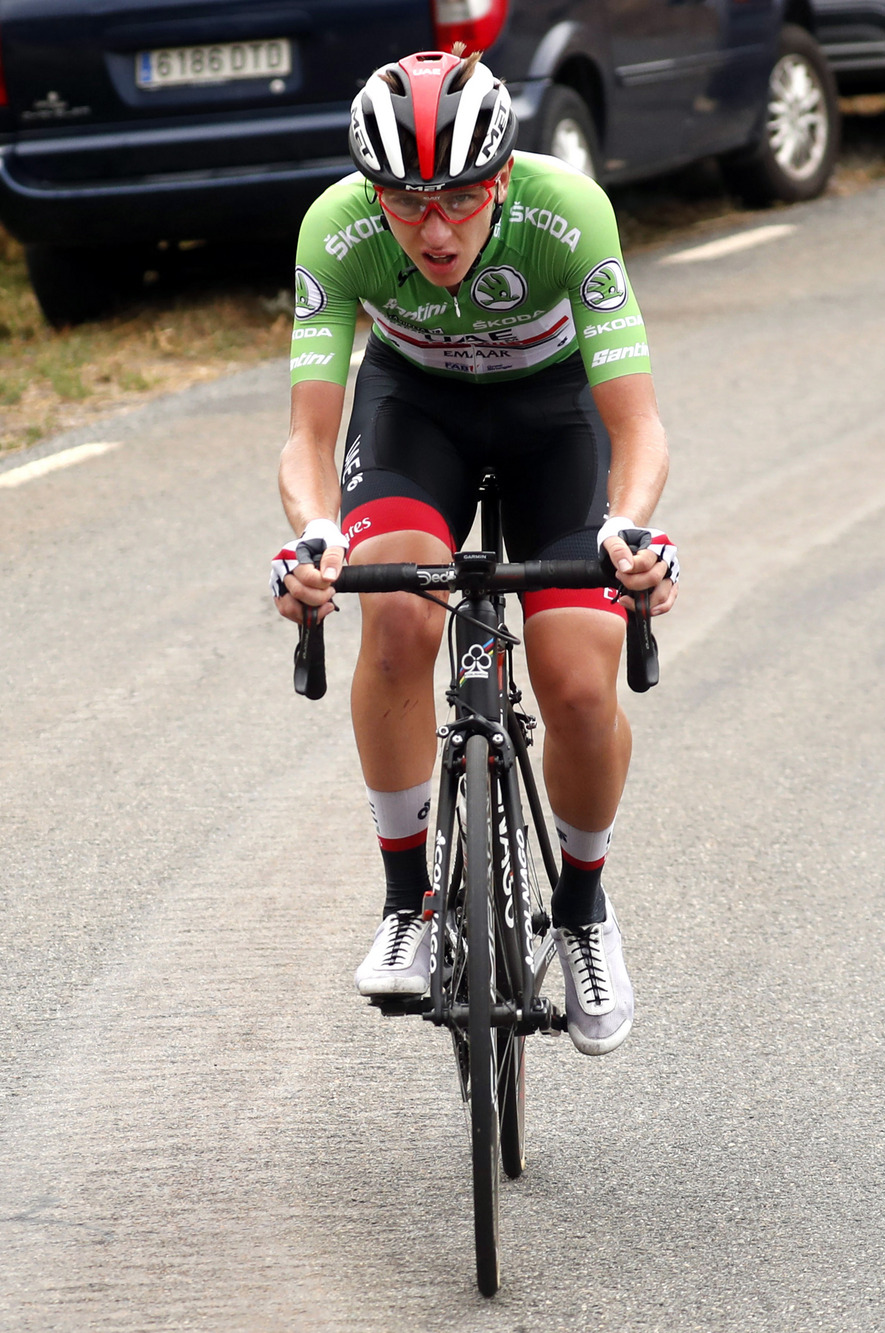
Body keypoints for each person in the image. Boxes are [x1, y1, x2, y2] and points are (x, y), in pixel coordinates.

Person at [270, 49, 679, 1056]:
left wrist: (628, 527)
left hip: (554, 415)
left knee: (579, 683)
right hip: (418, 412)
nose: (434, 225)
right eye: (405, 202)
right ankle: (408, 901)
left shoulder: (567, 213)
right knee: (400, 611)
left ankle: (581, 909)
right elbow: (307, 439)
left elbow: (638, 424)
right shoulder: (335, 231)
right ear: (373, 193)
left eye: (457, 194)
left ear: (499, 176)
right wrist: (315, 538)